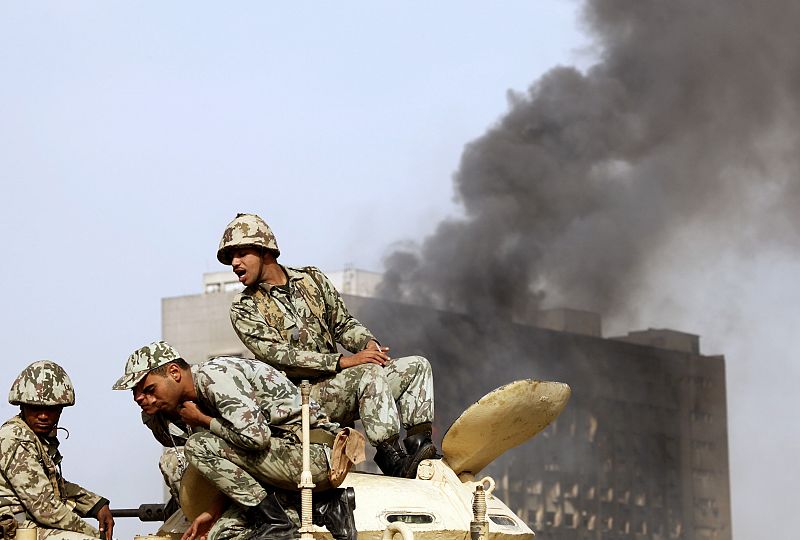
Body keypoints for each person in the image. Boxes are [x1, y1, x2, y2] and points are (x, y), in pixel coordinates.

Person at [217, 213, 438, 479]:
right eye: (231, 258)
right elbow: (279, 356)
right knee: (366, 374)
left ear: (265, 250)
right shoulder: (244, 308)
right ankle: (393, 459)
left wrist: (369, 345)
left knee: (416, 366)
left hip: (343, 385)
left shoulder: (312, 279)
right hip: (301, 400)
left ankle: (420, 449)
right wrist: (343, 362)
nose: (235, 264)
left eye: (241, 253)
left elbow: (343, 324)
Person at [112, 341, 360, 540]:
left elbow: (257, 439)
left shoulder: (214, 378)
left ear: (174, 372)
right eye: (136, 395)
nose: (141, 399)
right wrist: (213, 511)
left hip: (313, 456)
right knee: (221, 533)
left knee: (198, 446)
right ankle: (324, 506)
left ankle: (277, 521)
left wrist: (203, 420)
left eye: (149, 389)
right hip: (284, 466)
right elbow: (236, 466)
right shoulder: (194, 398)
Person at [0, 361, 114, 540]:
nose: (44, 416)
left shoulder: (36, 437)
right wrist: (94, 534)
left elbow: (54, 485)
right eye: (36, 408)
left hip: (29, 527)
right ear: (22, 405)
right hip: (16, 531)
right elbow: (45, 508)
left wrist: (96, 504)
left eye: (51, 409)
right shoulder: (15, 437)